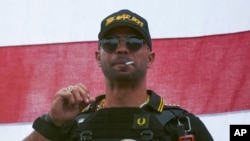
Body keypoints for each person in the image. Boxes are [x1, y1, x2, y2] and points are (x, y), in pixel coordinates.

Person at [24, 9, 213, 141]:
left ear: (150, 58)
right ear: (98, 57)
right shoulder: (71, 124)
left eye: (133, 42)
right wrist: (52, 122)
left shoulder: (182, 125)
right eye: (110, 42)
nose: (122, 49)